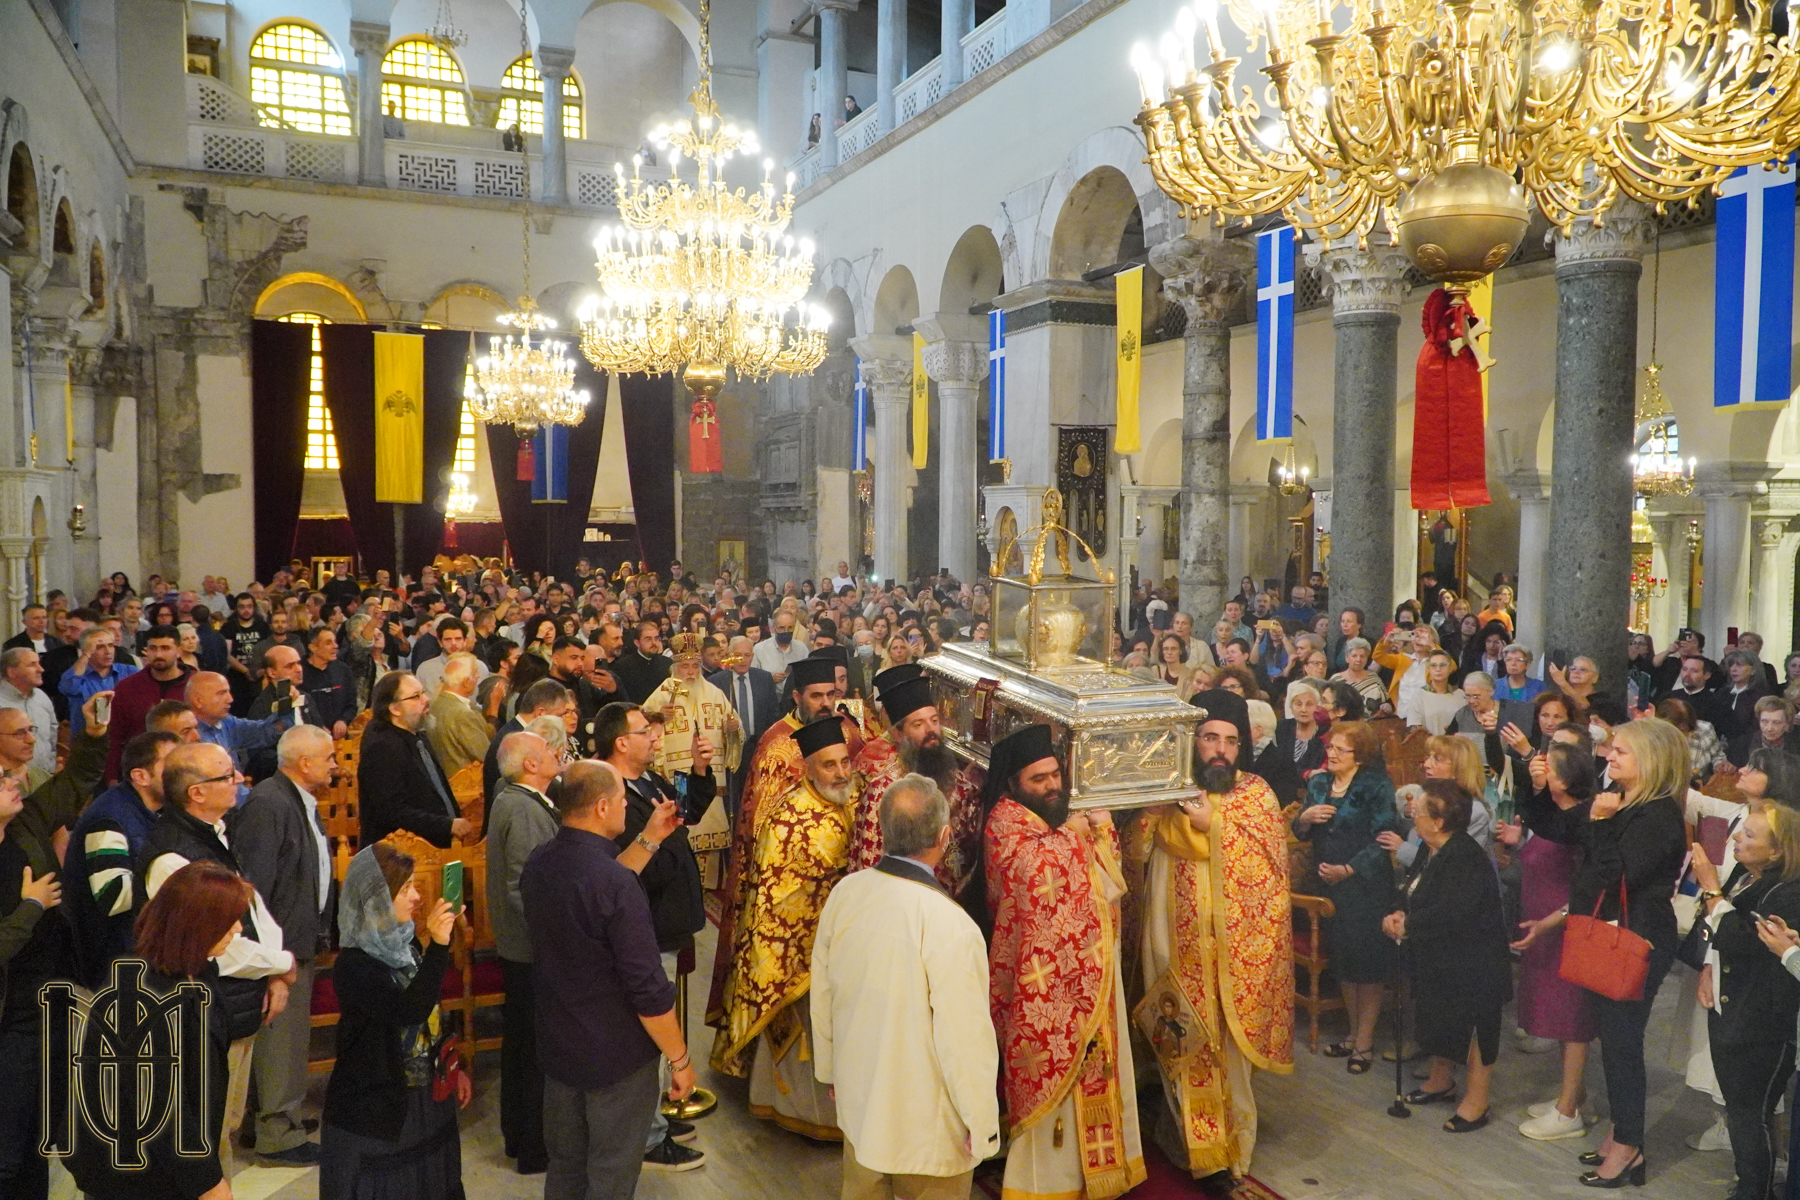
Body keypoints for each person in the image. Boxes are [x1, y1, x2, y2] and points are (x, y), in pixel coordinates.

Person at [1516, 717, 1689, 1186]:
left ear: (1651, 761)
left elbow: (1614, 876)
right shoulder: (1621, 801)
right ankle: (1620, 1133)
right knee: (1612, 1043)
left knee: (1623, 1046)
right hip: (1608, 931)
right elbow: (1551, 824)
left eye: (1621, 752)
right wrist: (1528, 777)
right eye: (1611, 749)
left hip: (1638, 939)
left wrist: (1603, 823)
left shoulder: (1658, 815)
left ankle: (1630, 1146)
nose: (1608, 757)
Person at [812, 773, 1001, 1200]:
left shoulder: (845, 894)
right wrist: (982, 1123)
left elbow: (822, 995)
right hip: (929, 1133)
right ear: (945, 836)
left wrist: (829, 1070)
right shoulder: (951, 924)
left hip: (862, 1108)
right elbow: (965, 1040)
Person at [522, 761, 699, 1199]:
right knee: (612, 1174)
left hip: (560, 1045)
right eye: (622, 799)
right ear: (603, 807)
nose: (626, 805)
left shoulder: (540, 862)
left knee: (566, 1167)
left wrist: (651, 837)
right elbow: (648, 990)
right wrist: (679, 1059)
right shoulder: (616, 885)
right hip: (616, 1057)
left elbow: (599, 883)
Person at [982, 722, 1145, 1197]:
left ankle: (1105, 1169)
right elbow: (1032, 877)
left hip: (1090, 967)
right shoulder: (1005, 823)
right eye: (1039, 779)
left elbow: (1108, 885)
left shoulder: (1057, 819)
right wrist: (1077, 837)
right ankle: (1046, 1183)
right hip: (1045, 985)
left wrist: (1101, 827)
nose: (1053, 786)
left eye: (1055, 774)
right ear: (1015, 784)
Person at [1138, 690, 1292, 1181]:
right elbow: (1135, 851)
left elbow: (1271, 870)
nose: (1220, 749)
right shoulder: (1165, 790)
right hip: (1174, 947)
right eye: (1210, 738)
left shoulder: (1256, 795)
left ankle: (1232, 1148)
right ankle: (1193, 1144)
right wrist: (1157, 814)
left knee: (1226, 1052)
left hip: (1233, 954)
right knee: (1182, 1041)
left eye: (1230, 740)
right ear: (1193, 740)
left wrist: (1214, 823)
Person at [140, 741, 298, 1182]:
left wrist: (276, 970)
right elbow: (214, 942)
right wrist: (281, 963)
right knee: (209, 1133)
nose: (240, 780)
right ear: (196, 793)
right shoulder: (172, 855)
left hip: (236, 1001)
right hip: (206, 1007)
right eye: (227, 776)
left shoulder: (214, 832)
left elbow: (253, 911)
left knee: (226, 1123)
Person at [65, 861, 248, 1200]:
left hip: (172, 1162)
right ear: (195, 926)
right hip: (134, 1175)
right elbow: (160, 1109)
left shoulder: (198, 970)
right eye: (228, 921)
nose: (237, 928)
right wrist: (207, 1182)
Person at [710, 717, 855, 1138]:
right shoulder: (789, 816)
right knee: (803, 1033)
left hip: (842, 942)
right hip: (798, 946)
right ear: (808, 767)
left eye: (845, 762)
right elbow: (775, 894)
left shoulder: (853, 798)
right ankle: (797, 1111)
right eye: (829, 765)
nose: (841, 773)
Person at [319, 842, 469, 1199]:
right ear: (374, 900)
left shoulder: (406, 945)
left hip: (426, 1100)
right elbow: (407, 1010)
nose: (416, 896)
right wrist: (438, 945)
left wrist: (453, 1066)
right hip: (377, 1110)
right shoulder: (354, 965)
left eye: (414, 885)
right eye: (405, 890)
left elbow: (432, 1016)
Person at [594, 702, 708, 1169]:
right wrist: (659, 842)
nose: (655, 738)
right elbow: (630, 866)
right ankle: (648, 1137)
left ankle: (657, 1115)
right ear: (622, 741)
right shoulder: (612, 794)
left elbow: (688, 816)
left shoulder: (650, 780)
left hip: (671, 918)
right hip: (649, 922)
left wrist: (700, 772)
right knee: (651, 1037)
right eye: (645, 732)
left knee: (663, 1034)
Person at [1681, 801, 1800, 1200]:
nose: (1735, 837)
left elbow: (1739, 938)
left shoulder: (1788, 892)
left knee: (1752, 1117)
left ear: (1777, 850)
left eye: (1749, 835)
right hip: (1731, 1011)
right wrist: (1708, 968)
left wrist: (1711, 889)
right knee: (1740, 1111)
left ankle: (1756, 1192)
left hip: (1763, 1023)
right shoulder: (1746, 876)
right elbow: (1716, 934)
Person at [231, 723, 336, 1164]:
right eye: (329, 757)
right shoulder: (269, 804)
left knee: (286, 1040)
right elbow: (255, 889)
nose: (336, 765)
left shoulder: (299, 801)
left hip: (296, 939)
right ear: (305, 762)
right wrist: (273, 958)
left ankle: (270, 1121)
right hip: (282, 946)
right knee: (283, 1041)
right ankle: (279, 1131)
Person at [1382, 780, 1511, 1132]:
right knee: (1438, 1017)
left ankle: (1477, 1101)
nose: (1412, 814)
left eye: (1419, 810)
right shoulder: (1429, 847)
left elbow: (1453, 912)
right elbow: (1411, 887)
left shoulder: (1465, 856)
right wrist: (1397, 911)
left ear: (1438, 821)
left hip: (1475, 961)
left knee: (1473, 1030)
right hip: (1439, 957)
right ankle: (1441, 1081)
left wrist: (1409, 924)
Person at [1501, 743, 1602, 1141]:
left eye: (1549, 765)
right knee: (1558, 1020)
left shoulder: (1583, 823)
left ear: (1566, 779)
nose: (1540, 767)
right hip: (1542, 930)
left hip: (1565, 929)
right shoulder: (1552, 815)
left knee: (1573, 1019)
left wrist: (1551, 921)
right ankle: (1573, 1095)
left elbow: (1587, 887)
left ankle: (1567, 1112)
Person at [1293, 720, 1399, 1073]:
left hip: (1365, 884)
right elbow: (1300, 831)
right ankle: (1352, 1034)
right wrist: (1306, 817)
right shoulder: (1320, 781)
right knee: (1344, 963)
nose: (1332, 754)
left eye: (1341, 749)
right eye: (1331, 747)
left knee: (1366, 966)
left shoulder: (1377, 785)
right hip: (1327, 886)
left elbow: (1384, 837)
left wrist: (1349, 870)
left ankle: (1365, 1041)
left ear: (1361, 755)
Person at [487, 730, 563, 1176]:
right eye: (548, 751)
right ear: (530, 765)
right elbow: (527, 887)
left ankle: (520, 1137)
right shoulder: (524, 808)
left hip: (520, 946)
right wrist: (557, 937)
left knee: (521, 1046)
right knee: (534, 1051)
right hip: (530, 949)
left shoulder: (511, 797)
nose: (556, 755)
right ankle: (534, 1146)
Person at [847, 673, 986, 896]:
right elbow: (869, 862)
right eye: (918, 724)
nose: (931, 730)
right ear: (898, 734)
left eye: (934, 721)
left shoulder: (961, 787)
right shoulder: (883, 792)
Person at [64, 729, 177, 987]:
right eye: (171, 764)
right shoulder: (109, 819)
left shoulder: (157, 810)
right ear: (140, 776)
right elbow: (113, 897)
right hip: (114, 963)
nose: (182, 771)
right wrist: (177, 879)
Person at [359, 670, 473, 848]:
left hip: (436, 847)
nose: (425, 699)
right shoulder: (382, 747)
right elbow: (392, 810)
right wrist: (445, 825)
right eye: (415, 696)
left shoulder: (416, 733)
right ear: (394, 709)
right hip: (402, 854)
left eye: (423, 692)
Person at [482, 678, 574, 827]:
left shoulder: (515, 732)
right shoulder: (515, 742)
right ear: (540, 713)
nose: (562, 722)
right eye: (560, 715)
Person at [105, 627, 192, 780]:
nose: (158, 654)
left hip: (188, 771)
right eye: (153, 648)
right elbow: (114, 736)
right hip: (139, 775)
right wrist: (112, 778)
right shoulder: (127, 688)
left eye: (165, 648)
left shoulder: (196, 685)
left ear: (178, 651)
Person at [59, 625, 137, 736]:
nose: (108, 651)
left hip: (123, 739)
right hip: (87, 742)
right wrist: (86, 655)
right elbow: (69, 688)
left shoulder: (129, 671)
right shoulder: (77, 676)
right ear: (86, 651)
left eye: (111, 645)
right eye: (100, 647)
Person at [426, 653, 492, 776]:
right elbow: (486, 755)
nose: (478, 676)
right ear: (466, 682)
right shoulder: (463, 714)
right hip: (465, 787)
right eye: (475, 672)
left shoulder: (436, 703)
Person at [0, 649, 56, 774]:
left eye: (39, 663)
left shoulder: (42, 697)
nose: (41, 669)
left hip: (45, 777)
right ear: (12, 672)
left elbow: (53, 736)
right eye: (32, 664)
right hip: (9, 782)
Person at [611, 619, 673, 703]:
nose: (654, 643)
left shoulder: (667, 663)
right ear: (637, 643)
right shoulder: (623, 666)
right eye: (648, 639)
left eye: (656, 638)